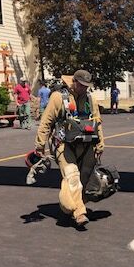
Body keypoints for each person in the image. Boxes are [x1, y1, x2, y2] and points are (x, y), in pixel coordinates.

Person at [35, 69, 104, 227]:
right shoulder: (58, 97)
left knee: (85, 178)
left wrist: (100, 144)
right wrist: (40, 145)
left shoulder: (90, 98)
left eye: (86, 86)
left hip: (87, 145)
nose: (84, 89)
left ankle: (74, 204)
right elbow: (46, 122)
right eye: (81, 85)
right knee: (72, 176)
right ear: (74, 82)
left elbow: (97, 121)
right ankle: (79, 212)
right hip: (64, 145)